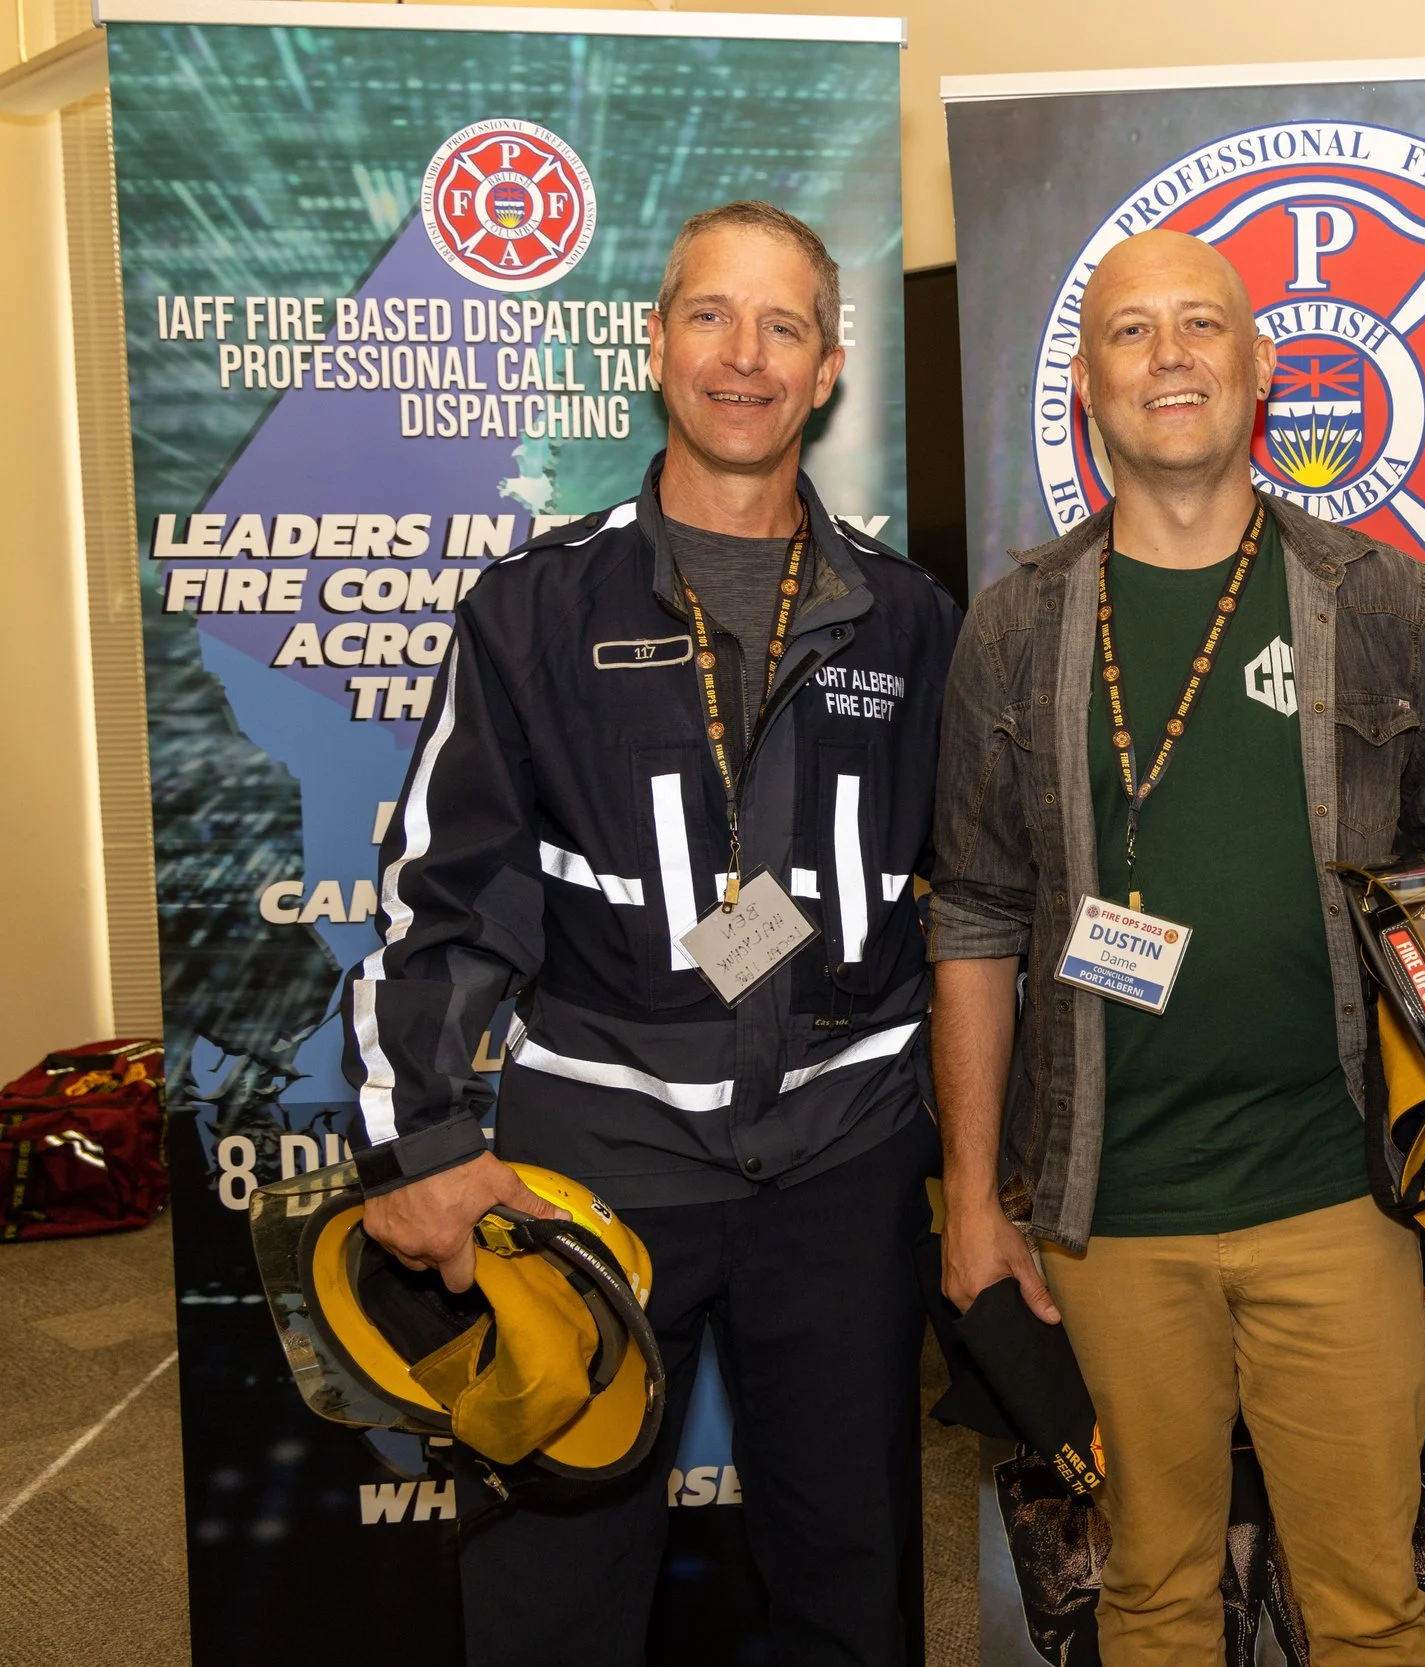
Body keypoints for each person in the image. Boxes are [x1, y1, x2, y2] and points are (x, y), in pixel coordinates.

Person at [926, 227, 1425, 1665]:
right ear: (1086, 384)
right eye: (1131, 330)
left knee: (1370, 1602)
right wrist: (974, 1200)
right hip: (1108, 1208)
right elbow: (977, 918)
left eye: (1201, 324)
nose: (1169, 355)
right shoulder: (1015, 627)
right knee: (1151, 1596)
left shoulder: (1374, 594)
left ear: (1259, 367)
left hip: (1338, 1193)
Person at [343, 200, 959, 1666]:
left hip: (843, 1169)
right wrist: (420, 1141)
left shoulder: (913, 621)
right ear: (653, 343)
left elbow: (979, 901)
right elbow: (444, 896)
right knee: (552, 1596)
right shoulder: (532, 610)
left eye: (784, 326)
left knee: (853, 1582)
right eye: (710, 315)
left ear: (828, 369)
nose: (745, 356)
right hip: (591, 1177)